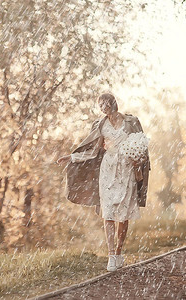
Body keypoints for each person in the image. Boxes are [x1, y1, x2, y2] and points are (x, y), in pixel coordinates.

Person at [56, 93, 150, 272]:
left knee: (123, 213)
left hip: (127, 170)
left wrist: (140, 159)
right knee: (108, 212)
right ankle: (111, 256)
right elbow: (93, 151)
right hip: (107, 169)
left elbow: (143, 147)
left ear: (113, 102)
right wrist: (72, 157)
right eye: (99, 105)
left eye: (104, 103)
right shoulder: (100, 124)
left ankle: (119, 251)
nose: (102, 107)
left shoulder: (132, 122)